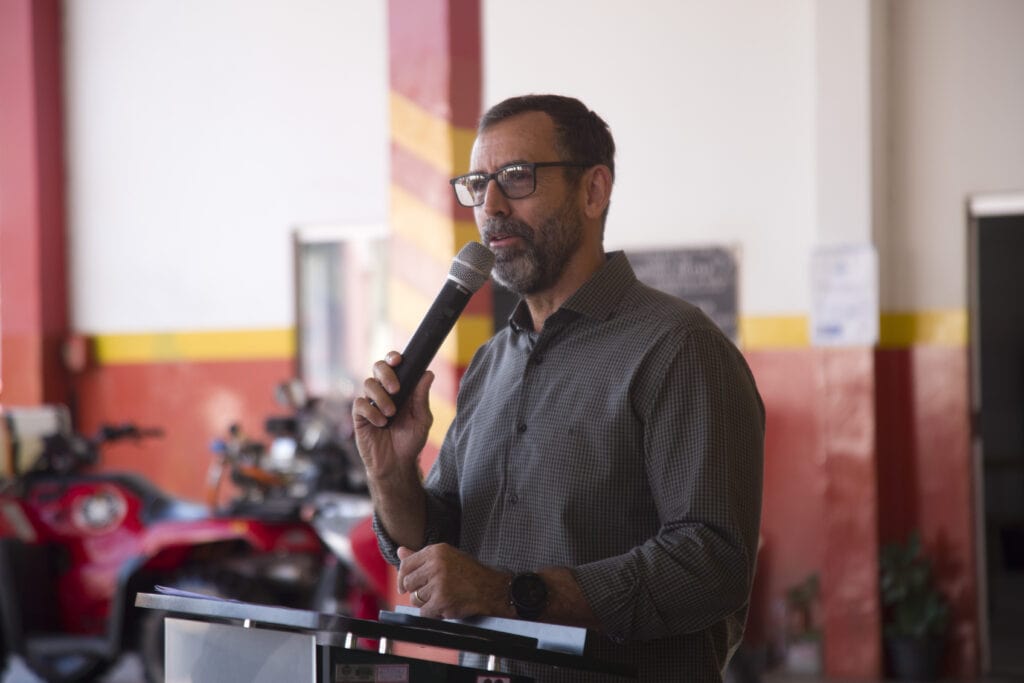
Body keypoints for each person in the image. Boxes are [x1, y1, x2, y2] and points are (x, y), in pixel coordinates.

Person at [353, 94, 765, 682]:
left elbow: (711, 563)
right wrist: (392, 473)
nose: (490, 205)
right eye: (478, 183)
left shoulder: (677, 348)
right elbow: (437, 540)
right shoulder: (495, 360)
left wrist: (510, 593)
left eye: (516, 178)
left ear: (593, 191)